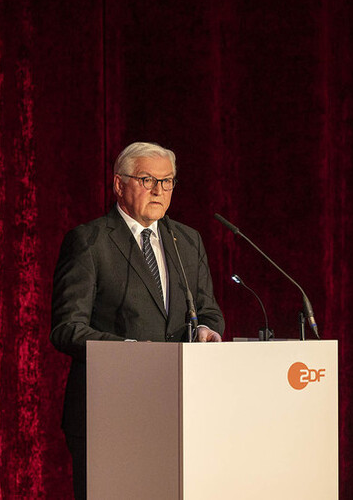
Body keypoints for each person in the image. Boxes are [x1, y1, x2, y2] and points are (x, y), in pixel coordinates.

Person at [49, 141, 225, 499]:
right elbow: (67, 328)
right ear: (119, 185)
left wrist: (207, 330)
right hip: (109, 412)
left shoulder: (187, 241)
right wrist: (128, 352)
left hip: (176, 410)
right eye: (147, 179)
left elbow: (208, 311)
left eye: (168, 181)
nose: (159, 190)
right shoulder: (90, 241)